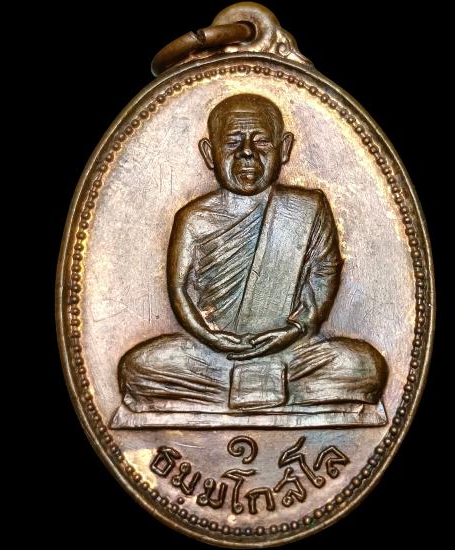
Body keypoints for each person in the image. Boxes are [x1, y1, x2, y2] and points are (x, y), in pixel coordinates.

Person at [118, 93, 387, 413]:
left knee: (364, 367)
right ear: (209, 153)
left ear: (283, 149)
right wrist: (212, 339)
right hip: (212, 356)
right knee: (138, 367)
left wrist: (295, 330)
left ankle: (234, 393)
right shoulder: (193, 218)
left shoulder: (308, 208)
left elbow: (322, 275)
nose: (247, 152)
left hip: (291, 352)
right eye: (233, 142)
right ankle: (272, 391)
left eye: (261, 142)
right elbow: (179, 291)